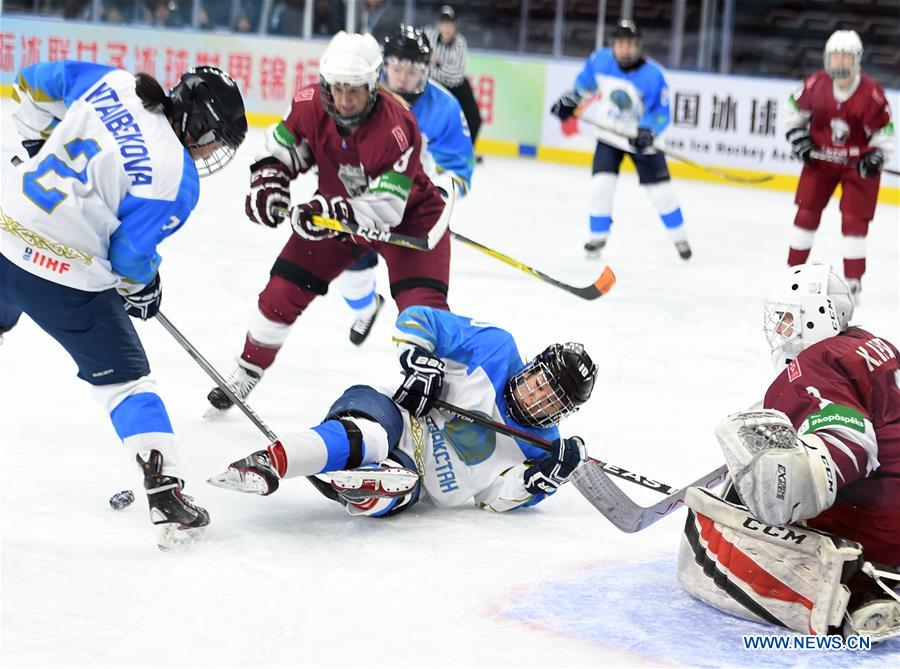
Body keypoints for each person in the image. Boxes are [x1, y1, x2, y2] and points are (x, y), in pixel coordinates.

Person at [0, 60, 247, 546]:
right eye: (216, 136)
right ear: (197, 124)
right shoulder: (176, 176)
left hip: (4, 230)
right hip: (63, 277)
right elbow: (129, 257)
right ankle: (165, 490)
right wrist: (145, 286)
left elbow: (32, 80)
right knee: (128, 385)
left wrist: (30, 138)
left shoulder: (115, 82)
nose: (215, 149)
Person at [208, 31, 451, 414]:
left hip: (410, 220)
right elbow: (284, 148)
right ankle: (248, 369)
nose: (344, 99)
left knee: (424, 314)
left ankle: (442, 396)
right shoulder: (308, 104)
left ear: (373, 86)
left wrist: (331, 212)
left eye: (354, 90)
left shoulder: (398, 125)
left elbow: (387, 206)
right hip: (334, 215)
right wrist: (270, 178)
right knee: (281, 290)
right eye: (336, 88)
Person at [678, 263, 900, 640]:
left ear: (815, 318)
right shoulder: (868, 343)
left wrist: (781, 482)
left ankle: (856, 593)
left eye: (785, 319)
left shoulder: (811, 366)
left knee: (733, 518)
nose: (778, 330)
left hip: (885, 524)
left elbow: (852, 444)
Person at [209, 305, 596, 518]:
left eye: (552, 399)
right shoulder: (496, 348)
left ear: (564, 412)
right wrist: (418, 360)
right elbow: (420, 318)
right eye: (539, 380)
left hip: (418, 482)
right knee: (371, 437)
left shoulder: (543, 449)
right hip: (393, 409)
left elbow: (493, 497)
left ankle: (362, 488)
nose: (536, 394)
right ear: (534, 365)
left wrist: (543, 479)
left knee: (394, 486)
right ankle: (269, 462)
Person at [336, 23, 475, 346]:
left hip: (415, 211)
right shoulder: (363, 97)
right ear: (383, 66)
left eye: (412, 69)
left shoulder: (444, 108)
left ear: (426, 69)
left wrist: (441, 195)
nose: (402, 76)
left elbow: (459, 167)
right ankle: (367, 307)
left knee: (422, 295)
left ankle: (427, 353)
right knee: (348, 271)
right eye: (396, 67)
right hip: (367, 203)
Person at [550, 20, 689, 261]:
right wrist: (569, 101)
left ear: (639, 46)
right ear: (612, 45)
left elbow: (661, 113)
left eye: (630, 45)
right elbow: (583, 87)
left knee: (661, 193)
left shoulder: (653, 75)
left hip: (640, 139)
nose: (625, 50)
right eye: (620, 44)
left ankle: (680, 238)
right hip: (610, 136)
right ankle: (597, 238)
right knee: (600, 187)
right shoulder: (601, 60)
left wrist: (648, 132)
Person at [783, 30, 893, 298]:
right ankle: (792, 273)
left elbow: (884, 134)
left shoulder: (872, 94)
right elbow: (793, 114)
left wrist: (876, 156)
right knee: (806, 212)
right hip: (821, 159)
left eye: (845, 58)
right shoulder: (815, 84)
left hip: (857, 164)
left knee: (855, 221)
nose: (839, 63)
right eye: (835, 57)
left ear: (857, 60)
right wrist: (800, 140)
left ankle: (853, 282)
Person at [424, 6, 482, 149]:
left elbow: (457, 73)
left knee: (474, 119)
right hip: (435, 85)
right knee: (433, 118)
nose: (446, 27)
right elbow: (423, 66)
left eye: (449, 24)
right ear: (438, 24)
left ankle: (467, 151)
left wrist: (437, 64)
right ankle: (430, 150)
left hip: (457, 85)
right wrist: (440, 68)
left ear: (455, 25)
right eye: (444, 23)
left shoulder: (460, 43)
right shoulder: (428, 35)